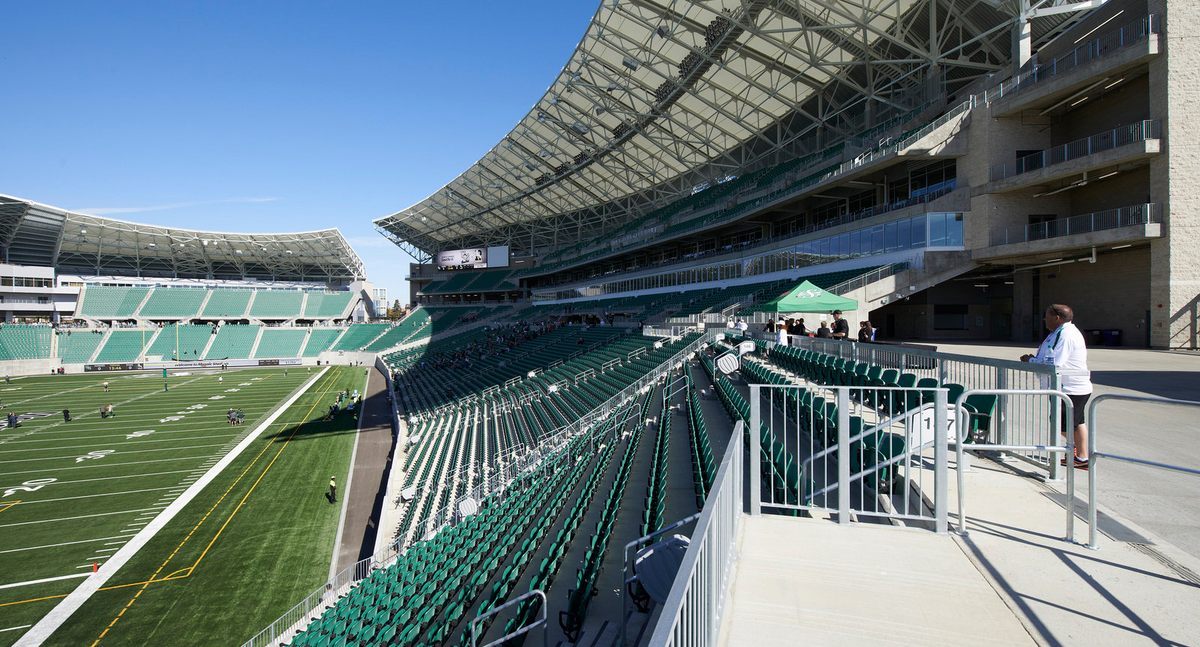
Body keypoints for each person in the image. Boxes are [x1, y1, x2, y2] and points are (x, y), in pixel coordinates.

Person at [1021, 304, 1093, 469]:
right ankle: (1080, 457)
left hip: (1070, 388)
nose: (1044, 319)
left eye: (1047, 315)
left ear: (1057, 318)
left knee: (1064, 424)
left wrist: (1030, 361)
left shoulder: (1066, 335)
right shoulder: (1057, 333)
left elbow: (1055, 362)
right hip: (1065, 387)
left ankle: (1077, 455)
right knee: (1075, 422)